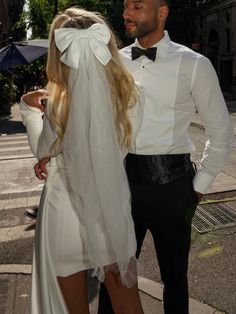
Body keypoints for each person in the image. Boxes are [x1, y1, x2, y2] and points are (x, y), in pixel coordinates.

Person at [27, 1, 234, 313]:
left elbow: (220, 132)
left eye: (137, 6)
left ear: (163, 11)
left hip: (172, 184)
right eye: (126, 6)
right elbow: (84, 108)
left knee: (174, 279)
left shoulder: (195, 64)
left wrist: (196, 188)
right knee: (114, 280)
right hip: (119, 183)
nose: (126, 14)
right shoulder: (111, 60)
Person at [20, 7, 144, 314]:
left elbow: (42, 149)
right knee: (129, 305)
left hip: (64, 213)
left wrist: (27, 107)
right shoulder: (130, 94)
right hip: (109, 210)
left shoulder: (57, 103)